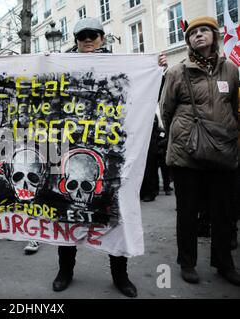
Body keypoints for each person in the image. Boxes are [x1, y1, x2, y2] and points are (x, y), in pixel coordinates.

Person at [52, 17, 168, 298]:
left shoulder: (122, 65)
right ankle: (65, 270)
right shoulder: (60, 68)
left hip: (112, 153)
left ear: (103, 38)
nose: (87, 40)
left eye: (93, 35)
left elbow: (145, 96)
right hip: (73, 154)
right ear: (76, 41)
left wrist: (157, 72)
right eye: (82, 36)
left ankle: (120, 275)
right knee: (68, 214)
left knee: (116, 217)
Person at [161, 16, 240, 286]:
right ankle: (187, 262)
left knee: (223, 212)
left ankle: (224, 263)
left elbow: (234, 106)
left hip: (223, 151)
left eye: (204, 30)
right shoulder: (176, 72)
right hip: (187, 153)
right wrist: (184, 136)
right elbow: (166, 111)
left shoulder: (230, 70)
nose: (198, 35)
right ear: (188, 41)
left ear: (214, 36)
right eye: (193, 33)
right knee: (187, 212)